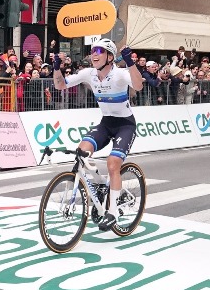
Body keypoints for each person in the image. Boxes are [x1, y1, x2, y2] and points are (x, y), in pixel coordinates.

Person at [52, 39, 143, 232]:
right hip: (106, 123)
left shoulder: (119, 74)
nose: (94, 54)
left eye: (100, 51)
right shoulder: (89, 74)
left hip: (125, 125)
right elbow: (60, 86)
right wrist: (57, 68)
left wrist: (131, 63)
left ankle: (113, 211)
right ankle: (102, 186)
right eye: (93, 50)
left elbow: (138, 85)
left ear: (110, 57)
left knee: (113, 165)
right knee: (81, 152)